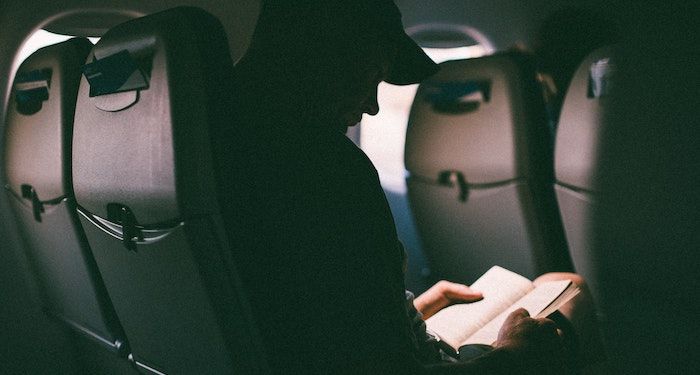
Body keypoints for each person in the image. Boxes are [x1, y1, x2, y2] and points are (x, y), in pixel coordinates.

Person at [211, 1, 593, 373]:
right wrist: (513, 357)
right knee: (565, 290)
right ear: (330, 52)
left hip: (411, 348)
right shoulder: (325, 166)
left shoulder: (220, 140)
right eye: (373, 74)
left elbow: (316, 329)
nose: (373, 106)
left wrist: (412, 309)